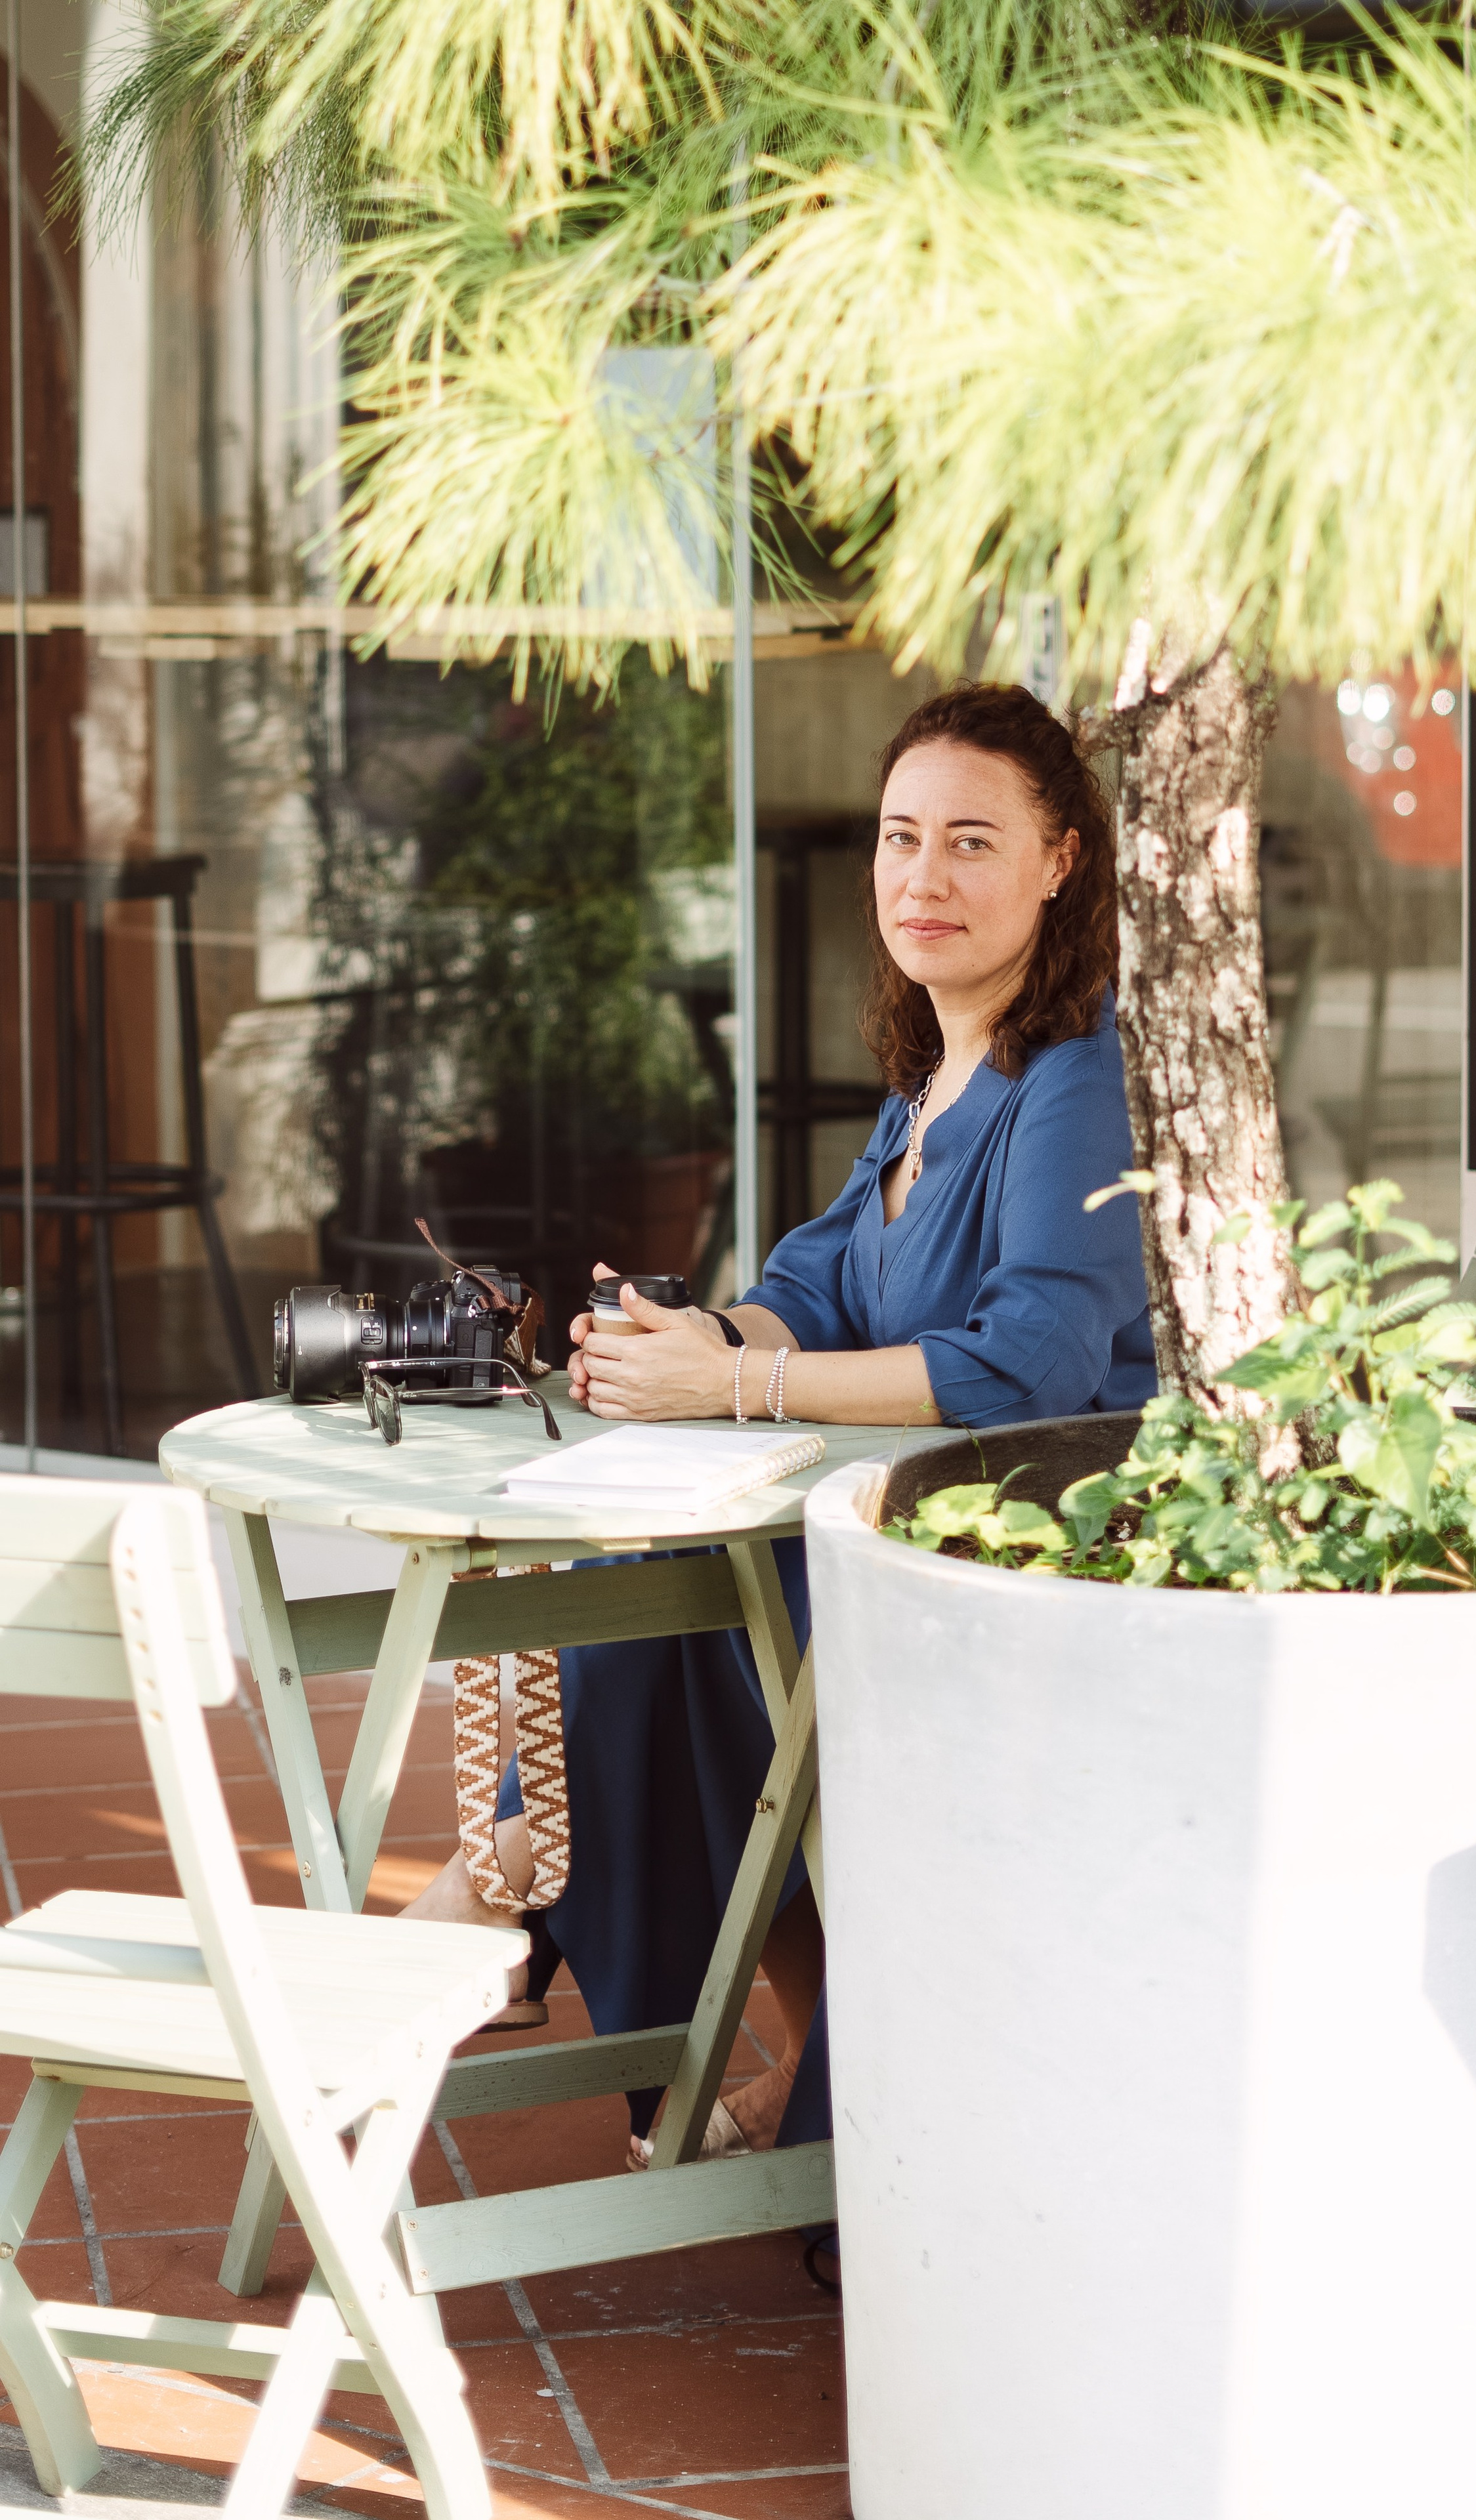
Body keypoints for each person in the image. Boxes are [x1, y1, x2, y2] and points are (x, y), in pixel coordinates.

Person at [402, 681, 1156, 2247]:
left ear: (1059, 863)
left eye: (969, 843)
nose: (920, 880)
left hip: (1010, 1578)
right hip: (882, 1548)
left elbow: (1031, 1364)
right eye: (899, 839)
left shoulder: (1071, 1076)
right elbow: (814, 1286)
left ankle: (514, 1886)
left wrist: (737, 1381)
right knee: (647, 1597)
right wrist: (676, 1342)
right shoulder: (935, 1075)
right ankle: (581, 1919)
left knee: (670, 1620)